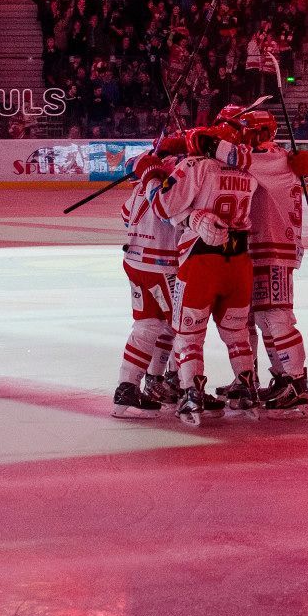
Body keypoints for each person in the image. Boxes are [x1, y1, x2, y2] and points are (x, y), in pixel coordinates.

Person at [151, 124, 258, 426]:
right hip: (238, 259)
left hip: (200, 260)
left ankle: (190, 392)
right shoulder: (249, 172)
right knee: (237, 334)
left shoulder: (195, 166)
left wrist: (153, 176)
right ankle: (246, 385)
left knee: (189, 335)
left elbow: (162, 205)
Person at [221, 107, 308, 418]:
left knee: (276, 317)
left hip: (273, 247)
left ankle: (296, 384)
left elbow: (234, 157)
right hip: (258, 246)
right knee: (251, 317)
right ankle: (259, 379)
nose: (239, 133)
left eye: (243, 128)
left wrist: (199, 141)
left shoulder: (268, 156)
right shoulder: (277, 156)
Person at [111, 148, 180, 419]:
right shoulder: (166, 185)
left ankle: (127, 388)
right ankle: (183, 386)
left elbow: (126, 215)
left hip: (136, 262)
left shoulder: (139, 189)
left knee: (148, 325)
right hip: (161, 266)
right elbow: (174, 212)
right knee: (182, 326)